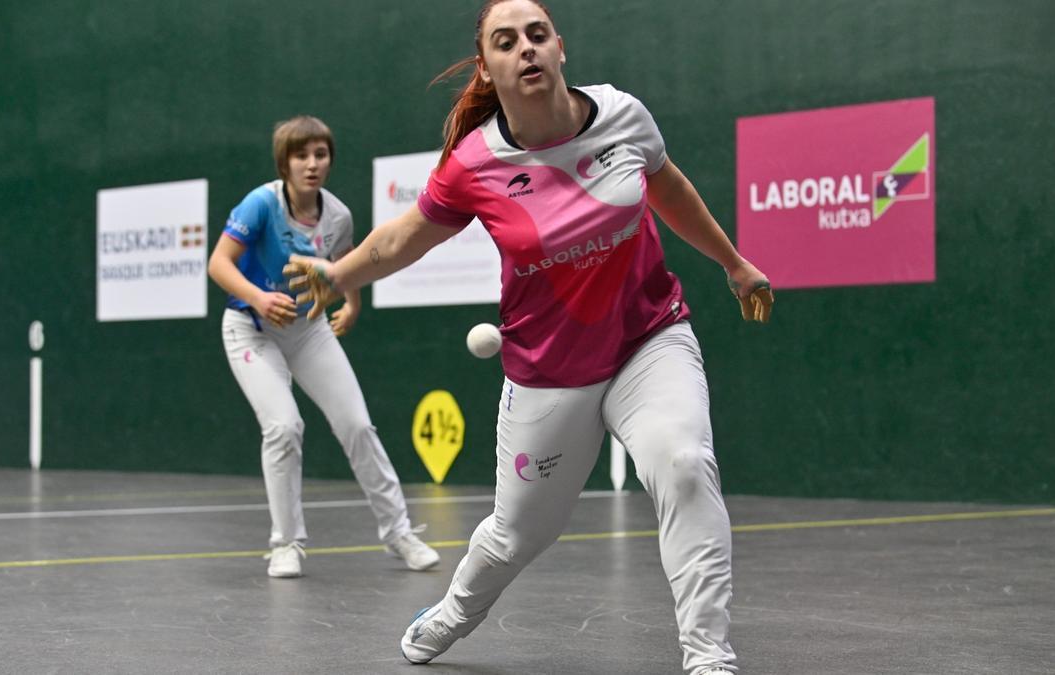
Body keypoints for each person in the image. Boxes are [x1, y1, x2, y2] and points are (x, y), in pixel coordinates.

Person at [287, 1, 772, 671]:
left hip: (647, 338)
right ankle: (455, 610)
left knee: (686, 466)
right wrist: (339, 273)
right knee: (517, 534)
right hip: (550, 373)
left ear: (560, 47)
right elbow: (404, 236)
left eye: (537, 35)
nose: (527, 49)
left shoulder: (623, 115)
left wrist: (734, 263)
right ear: (488, 67)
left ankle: (709, 656)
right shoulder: (474, 163)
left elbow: (671, 189)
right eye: (507, 41)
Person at [207, 115, 440, 578]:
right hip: (250, 327)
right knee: (284, 427)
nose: (312, 164)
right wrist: (258, 296)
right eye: (301, 155)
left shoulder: (337, 216)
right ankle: (286, 544)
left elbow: (344, 265)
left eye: (320, 154)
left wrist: (351, 304)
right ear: (284, 163)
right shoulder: (260, 204)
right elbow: (219, 262)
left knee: (356, 424)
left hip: (309, 329)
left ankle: (399, 533)